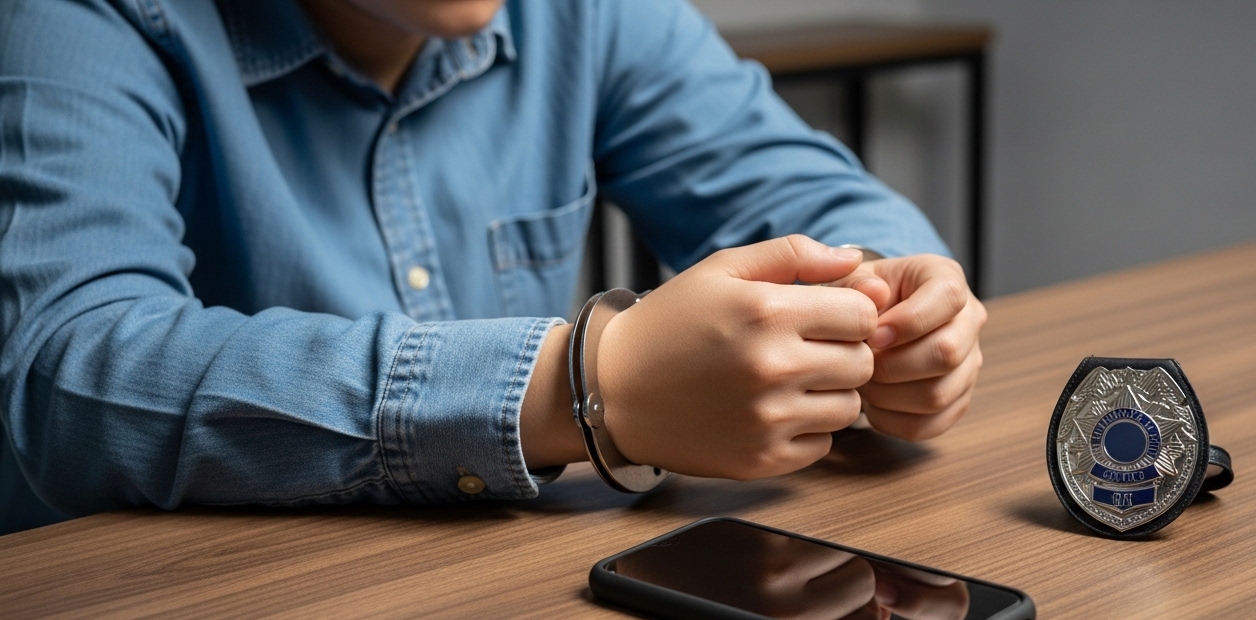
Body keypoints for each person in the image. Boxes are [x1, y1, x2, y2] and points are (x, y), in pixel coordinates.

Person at [0, 0, 986, 535]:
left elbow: (802, 188)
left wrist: (888, 298)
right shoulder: (88, 18)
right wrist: (584, 386)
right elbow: (68, 370)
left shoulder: (589, 16)